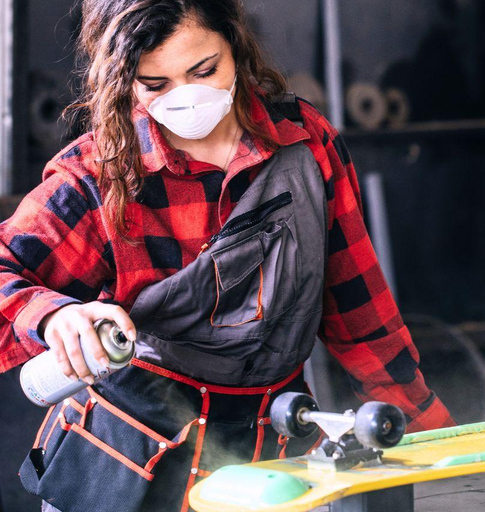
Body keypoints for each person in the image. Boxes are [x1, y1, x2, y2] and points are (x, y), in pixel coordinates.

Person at [0, 1, 456, 511]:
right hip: (127, 466)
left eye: (204, 70)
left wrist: (435, 448)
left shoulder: (304, 145)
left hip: (271, 458)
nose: (187, 97)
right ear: (122, 79)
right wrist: (54, 314)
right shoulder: (99, 175)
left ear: (235, 46)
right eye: (156, 84)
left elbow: (360, 316)